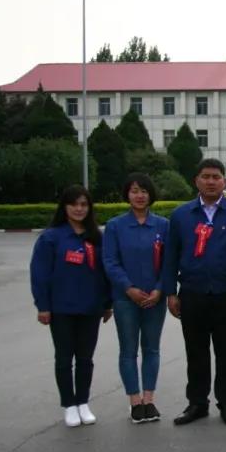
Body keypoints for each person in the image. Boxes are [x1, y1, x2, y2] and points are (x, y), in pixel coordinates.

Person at [163, 158, 226, 426]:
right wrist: (171, 292)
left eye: (216, 177)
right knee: (196, 353)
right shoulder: (181, 215)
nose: (211, 181)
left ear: (225, 181)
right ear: (197, 181)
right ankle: (197, 403)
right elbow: (171, 256)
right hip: (192, 293)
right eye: (206, 176)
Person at [30, 185, 113, 428]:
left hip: (91, 308)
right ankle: (69, 404)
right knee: (64, 358)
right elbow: (40, 274)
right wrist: (43, 306)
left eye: (84, 204)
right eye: (74, 204)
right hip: (61, 309)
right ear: (64, 207)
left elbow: (106, 272)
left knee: (86, 358)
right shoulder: (51, 237)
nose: (79, 209)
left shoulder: (97, 237)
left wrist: (107, 303)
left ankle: (83, 402)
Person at [103, 173, 170, 424]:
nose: (139, 195)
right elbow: (110, 262)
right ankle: (134, 401)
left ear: (150, 194)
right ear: (127, 195)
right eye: (134, 191)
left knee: (151, 348)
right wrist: (128, 288)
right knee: (128, 351)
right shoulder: (115, 226)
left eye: (143, 190)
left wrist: (160, 289)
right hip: (125, 299)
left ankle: (149, 400)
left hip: (155, 298)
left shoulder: (163, 226)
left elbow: (169, 262)